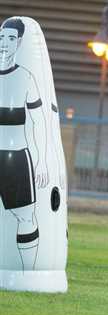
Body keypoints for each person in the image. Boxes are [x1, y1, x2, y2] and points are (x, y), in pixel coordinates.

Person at [0, 18, 49, 270]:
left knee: (26, 216)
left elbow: (39, 122)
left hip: (17, 158)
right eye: (1, 37)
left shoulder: (26, 77)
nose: (4, 44)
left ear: (19, 43)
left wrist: (40, 162)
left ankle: (28, 273)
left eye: (10, 38)